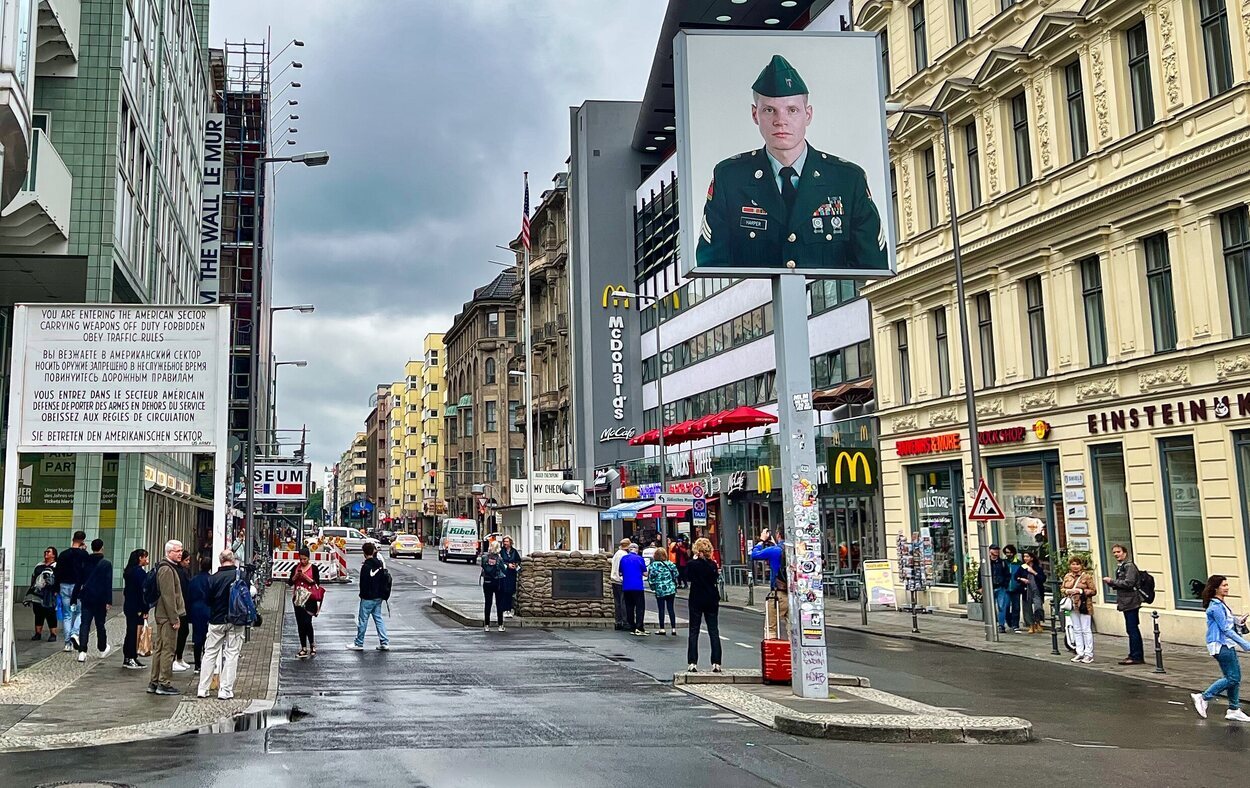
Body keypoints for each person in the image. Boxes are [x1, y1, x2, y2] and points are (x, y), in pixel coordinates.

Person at [695, 54, 888, 272]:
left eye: (792, 110)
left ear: (808, 115)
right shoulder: (730, 178)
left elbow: (873, 265)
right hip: (760, 306)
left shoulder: (847, 179)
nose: (781, 120)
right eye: (769, 110)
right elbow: (711, 267)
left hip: (829, 304)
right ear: (754, 114)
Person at [1190, 575, 1250, 722]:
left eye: (1227, 585)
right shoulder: (1215, 606)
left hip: (1226, 644)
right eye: (1224, 585)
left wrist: (1238, 620)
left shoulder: (1220, 604)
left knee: (1233, 678)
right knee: (1233, 677)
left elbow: (1226, 622)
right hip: (1221, 644)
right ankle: (1203, 697)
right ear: (1216, 588)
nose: (1227, 588)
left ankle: (1234, 709)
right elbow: (1225, 629)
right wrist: (1245, 644)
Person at [196, 550, 245, 700]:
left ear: (220, 560)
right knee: (231, 654)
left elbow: (208, 600)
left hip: (216, 620)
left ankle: (203, 689)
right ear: (234, 560)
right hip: (236, 620)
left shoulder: (212, 579)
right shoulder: (241, 576)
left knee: (210, 653)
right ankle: (225, 690)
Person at [148, 539, 186, 695]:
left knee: (160, 649)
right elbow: (168, 595)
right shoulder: (167, 570)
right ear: (169, 552)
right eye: (177, 551)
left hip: (163, 615)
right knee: (167, 649)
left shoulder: (167, 568)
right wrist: (174, 618)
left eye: (181, 550)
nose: (180, 553)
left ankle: (155, 681)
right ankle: (163, 682)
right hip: (166, 616)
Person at [1102, 543, 1145, 665]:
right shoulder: (1122, 566)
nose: (1116, 554)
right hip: (1126, 601)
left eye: (1118, 552)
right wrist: (1112, 583)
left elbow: (1129, 583)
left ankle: (1136, 656)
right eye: (1114, 552)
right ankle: (1133, 654)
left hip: (1131, 601)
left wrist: (1112, 581)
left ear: (1125, 553)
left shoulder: (1129, 566)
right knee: (1130, 629)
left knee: (1132, 629)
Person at [72, 539, 113, 664]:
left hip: (86, 597)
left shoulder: (85, 561)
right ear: (102, 548)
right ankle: (102, 648)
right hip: (100, 598)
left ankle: (82, 652)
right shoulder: (106, 564)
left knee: (85, 624)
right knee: (100, 625)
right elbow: (108, 583)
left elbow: (79, 580)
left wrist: (74, 597)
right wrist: (109, 600)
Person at [686, 538, 722, 673]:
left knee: (694, 630)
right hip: (711, 598)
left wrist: (695, 560)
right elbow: (714, 579)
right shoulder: (713, 565)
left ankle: (692, 662)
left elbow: (688, 577)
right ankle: (716, 663)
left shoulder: (692, 564)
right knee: (713, 630)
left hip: (696, 598)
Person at [350, 542, 390, 650]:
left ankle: (359, 643)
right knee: (378, 618)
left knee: (363, 620)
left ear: (364, 553)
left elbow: (363, 583)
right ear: (373, 551)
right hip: (379, 597)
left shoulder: (366, 566)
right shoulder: (380, 565)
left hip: (367, 597)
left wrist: (362, 595)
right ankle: (384, 642)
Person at [55, 530, 90, 652]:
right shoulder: (84, 555)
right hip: (78, 586)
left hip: (64, 585)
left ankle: (67, 644)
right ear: (82, 541)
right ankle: (75, 633)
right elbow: (86, 571)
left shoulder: (64, 554)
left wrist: (56, 588)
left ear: (73, 539)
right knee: (80, 612)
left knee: (67, 615)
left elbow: (57, 572)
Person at [750, 529, 788, 637]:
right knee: (793, 630)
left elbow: (754, 555)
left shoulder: (775, 550)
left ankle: (773, 652)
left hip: (779, 594)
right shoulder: (796, 548)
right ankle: (794, 652)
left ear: (778, 534)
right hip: (795, 595)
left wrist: (761, 540)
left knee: (771, 628)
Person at [1061, 556, 1097, 664]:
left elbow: (1093, 591)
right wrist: (1067, 591)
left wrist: (1081, 591)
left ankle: (1088, 654)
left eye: (1077, 564)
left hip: (1084, 605)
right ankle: (1079, 652)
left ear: (1081, 565)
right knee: (1076, 629)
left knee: (1086, 629)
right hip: (1072, 605)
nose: (1075, 566)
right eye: (1073, 564)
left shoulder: (1086, 576)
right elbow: (1062, 588)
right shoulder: (1067, 576)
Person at [287, 547, 321, 658]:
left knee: (307, 622)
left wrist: (305, 577)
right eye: (301, 559)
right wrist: (295, 577)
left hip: (309, 598)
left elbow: (316, 582)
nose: (302, 561)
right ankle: (303, 647)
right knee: (300, 623)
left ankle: (312, 644)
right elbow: (290, 583)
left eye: (305, 559)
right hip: (298, 599)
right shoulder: (295, 568)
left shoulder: (314, 568)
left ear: (308, 558)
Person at [121, 548, 150, 669]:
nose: (146, 560)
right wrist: (145, 609)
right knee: (134, 632)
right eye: (145, 557)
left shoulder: (129, 571)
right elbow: (143, 592)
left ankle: (129, 656)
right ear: (140, 558)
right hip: (137, 606)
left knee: (131, 631)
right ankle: (131, 657)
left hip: (129, 605)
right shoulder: (139, 573)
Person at [187, 557, 212, 673]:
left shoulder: (193, 580)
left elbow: (188, 597)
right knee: (208, 637)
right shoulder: (211, 580)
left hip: (196, 610)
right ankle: (207, 663)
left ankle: (197, 664)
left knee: (197, 638)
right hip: (208, 609)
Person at [28, 547, 59, 642]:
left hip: (50, 593)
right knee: (38, 613)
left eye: (48, 552)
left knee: (50, 613)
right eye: (45, 551)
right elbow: (33, 578)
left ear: (54, 555)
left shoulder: (56, 566)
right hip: (38, 593)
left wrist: (56, 591)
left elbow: (58, 580)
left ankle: (53, 634)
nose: (46, 553)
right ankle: (38, 633)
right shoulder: (39, 565)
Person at [647, 545, 679, 636]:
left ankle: (662, 628)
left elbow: (651, 578)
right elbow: (676, 574)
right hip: (671, 589)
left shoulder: (653, 566)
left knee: (661, 609)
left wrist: (653, 587)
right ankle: (673, 629)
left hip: (660, 589)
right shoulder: (670, 564)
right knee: (671, 609)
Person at [1014, 549, 1046, 635]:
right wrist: (1022, 579)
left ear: (1031, 558)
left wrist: (1033, 572)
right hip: (1026, 590)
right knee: (1027, 608)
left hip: (1037, 590)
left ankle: (1038, 623)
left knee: (1038, 607)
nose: (1025, 558)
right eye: (1024, 556)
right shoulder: (1022, 567)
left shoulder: (1037, 568)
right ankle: (1031, 625)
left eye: (1027, 556)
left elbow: (1043, 578)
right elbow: (1016, 577)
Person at [171, 549, 194, 673]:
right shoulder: (178, 572)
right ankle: (175, 658)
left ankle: (179, 657)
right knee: (180, 632)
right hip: (179, 606)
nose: (188, 562)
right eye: (186, 560)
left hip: (184, 605)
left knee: (184, 632)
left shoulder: (184, 572)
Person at [620, 541, 648, 636]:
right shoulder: (639, 558)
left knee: (629, 607)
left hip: (626, 586)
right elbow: (645, 573)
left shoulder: (623, 559)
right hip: (637, 586)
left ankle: (631, 625)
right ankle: (639, 627)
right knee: (640, 607)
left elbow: (620, 572)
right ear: (637, 549)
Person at [480, 541, 507, 632]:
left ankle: (486, 625)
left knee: (488, 603)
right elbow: (503, 569)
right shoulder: (499, 559)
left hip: (487, 582)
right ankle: (500, 625)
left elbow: (483, 566)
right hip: (498, 582)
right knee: (499, 603)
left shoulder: (484, 558)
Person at [986, 545, 1013, 634]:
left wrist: (1005, 584)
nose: (997, 551)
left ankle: (1001, 625)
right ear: (990, 551)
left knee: (1002, 607)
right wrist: (981, 587)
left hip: (1000, 587)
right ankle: (992, 624)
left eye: (998, 550)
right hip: (990, 587)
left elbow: (1007, 575)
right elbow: (980, 574)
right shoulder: (986, 562)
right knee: (991, 607)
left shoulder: (1002, 563)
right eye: (994, 549)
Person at [498, 536, 522, 619]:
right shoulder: (501, 551)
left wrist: (515, 564)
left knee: (511, 591)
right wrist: (508, 565)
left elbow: (518, 560)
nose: (505, 543)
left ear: (510, 542)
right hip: (504, 573)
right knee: (504, 591)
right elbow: (500, 561)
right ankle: (504, 609)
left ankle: (510, 609)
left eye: (507, 541)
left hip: (512, 574)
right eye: (504, 541)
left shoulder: (514, 551)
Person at [610, 538, 631, 631]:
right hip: (621, 581)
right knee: (624, 602)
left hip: (614, 580)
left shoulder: (616, 554)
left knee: (617, 602)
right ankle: (625, 622)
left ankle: (618, 621)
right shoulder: (625, 555)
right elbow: (623, 569)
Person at [1002, 545, 1023, 633]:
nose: (1009, 554)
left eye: (1010, 552)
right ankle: (1009, 621)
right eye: (1007, 553)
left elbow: (1023, 574)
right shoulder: (1003, 563)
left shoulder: (1019, 563)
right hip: (1006, 588)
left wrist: (1019, 583)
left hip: (1016, 588)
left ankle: (1015, 625)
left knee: (1016, 607)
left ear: (1013, 553)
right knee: (1006, 606)